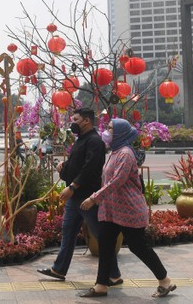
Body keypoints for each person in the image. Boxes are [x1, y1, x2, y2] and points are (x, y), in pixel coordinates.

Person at [79, 119, 176, 298]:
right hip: (111, 211)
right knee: (105, 245)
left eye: (110, 129)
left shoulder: (125, 154)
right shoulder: (115, 152)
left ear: (120, 133)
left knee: (138, 246)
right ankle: (101, 285)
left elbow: (117, 181)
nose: (106, 131)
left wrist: (94, 198)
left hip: (129, 211)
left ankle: (164, 280)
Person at [37, 108, 122, 285]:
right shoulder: (81, 140)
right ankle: (59, 269)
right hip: (75, 199)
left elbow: (90, 169)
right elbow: (78, 162)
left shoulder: (95, 142)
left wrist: (73, 187)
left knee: (101, 236)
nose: (72, 123)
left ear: (86, 121)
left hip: (88, 199)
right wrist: (64, 165)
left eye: (75, 119)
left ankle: (114, 274)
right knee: (68, 233)